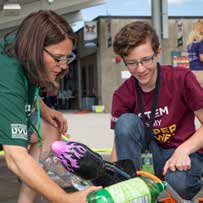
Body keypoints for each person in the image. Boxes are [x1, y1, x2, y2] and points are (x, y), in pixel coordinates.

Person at [0, 10, 100, 203]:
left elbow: (20, 90)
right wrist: (66, 199)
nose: (64, 66)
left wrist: (45, 110)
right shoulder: (8, 71)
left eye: (67, 57)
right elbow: (15, 158)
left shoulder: (23, 49)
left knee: (48, 128)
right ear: (35, 49)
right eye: (58, 58)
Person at [111, 21, 203, 201]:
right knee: (126, 122)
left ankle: (191, 180)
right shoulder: (122, 94)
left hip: (183, 155)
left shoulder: (182, 78)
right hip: (152, 156)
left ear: (158, 52)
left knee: (178, 184)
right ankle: (132, 188)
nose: (140, 69)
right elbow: (120, 141)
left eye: (146, 60)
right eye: (132, 63)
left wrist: (184, 149)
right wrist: (113, 181)